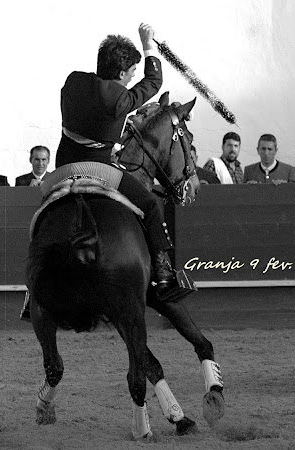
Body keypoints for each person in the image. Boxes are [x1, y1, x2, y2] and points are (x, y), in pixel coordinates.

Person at [53, 23, 194, 303]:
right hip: (98, 168)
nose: (132, 78)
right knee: (150, 204)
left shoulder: (74, 81)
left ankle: (32, 291)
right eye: (131, 73)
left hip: (63, 167)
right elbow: (154, 81)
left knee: (47, 213)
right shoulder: (119, 99)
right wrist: (148, 44)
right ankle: (164, 275)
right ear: (120, 74)